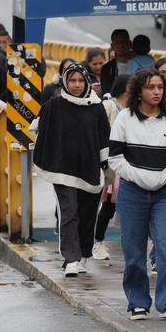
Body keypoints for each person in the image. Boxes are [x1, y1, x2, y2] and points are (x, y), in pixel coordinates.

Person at [108, 68, 166, 321]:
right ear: (139, 91)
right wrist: (138, 176)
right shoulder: (125, 119)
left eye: (160, 87)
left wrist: (165, 175)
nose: (156, 92)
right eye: (150, 87)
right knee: (134, 252)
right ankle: (138, 302)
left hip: (165, 193)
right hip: (132, 192)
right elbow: (115, 159)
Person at [32, 62, 111, 277]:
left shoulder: (96, 107)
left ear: (87, 81)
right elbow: (39, 128)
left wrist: (106, 166)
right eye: (72, 81)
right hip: (62, 169)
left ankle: (83, 254)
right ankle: (71, 258)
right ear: (65, 82)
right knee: (69, 212)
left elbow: (104, 139)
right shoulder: (54, 105)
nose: (76, 85)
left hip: (89, 168)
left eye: (80, 80)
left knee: (87, 214)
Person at [91, 73, 132, 261]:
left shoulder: (136, 109)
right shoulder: (109, 105)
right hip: (111, 164)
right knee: (108, 206)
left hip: (130, 163)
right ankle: (97, 243)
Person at [100, 29, 133, 95]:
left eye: (124, 41)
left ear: (130, 43)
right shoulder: (107, 69)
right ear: (112, 46)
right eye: (117, 42)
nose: (121, 45)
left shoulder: (139, 65)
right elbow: (106, 91)